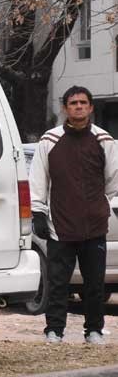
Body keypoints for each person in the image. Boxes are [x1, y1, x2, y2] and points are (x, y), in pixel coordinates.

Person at [29, 85, 118, 344]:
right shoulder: (49, 140)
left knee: (94, 284)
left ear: (90, 107)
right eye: (73, 103)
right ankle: (54, 330)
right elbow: (38, 178)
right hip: (60, 225)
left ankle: (94, 331)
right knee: (58, 283)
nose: (78, 107)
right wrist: (38, 212)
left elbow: (112, 179)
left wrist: (99, 204)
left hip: (94, 225)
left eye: (83, 103)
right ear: (65, 108)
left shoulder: (104, 140)